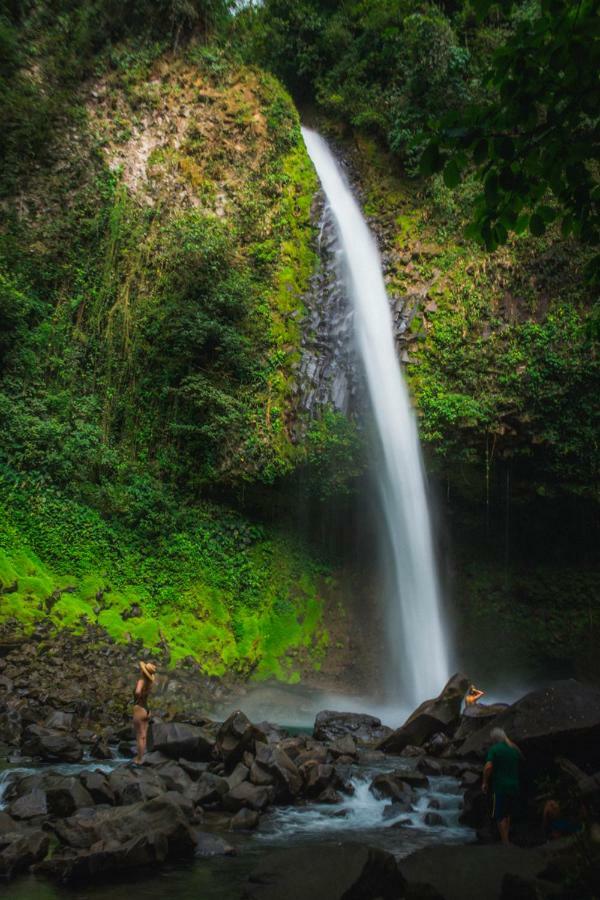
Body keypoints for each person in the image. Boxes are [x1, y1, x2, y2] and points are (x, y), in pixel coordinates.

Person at [482, 727, 522, 845]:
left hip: (500, 787)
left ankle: (505, 842)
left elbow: (488, 767)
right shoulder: (514, 749)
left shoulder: (495, 749)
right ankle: (507, 839)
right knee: (508, 814)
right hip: (514, 786)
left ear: (494, 739)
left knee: (499, 815)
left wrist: (484, 782)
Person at [133, 660, 156, 764]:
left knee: (139, 735)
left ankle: (139, 759)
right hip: (147, 710)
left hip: (139, 708)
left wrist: (138, 697)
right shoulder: (149, 683)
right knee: (144, 735)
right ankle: (143, 757)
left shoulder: (141, 681)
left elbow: (138, 691)